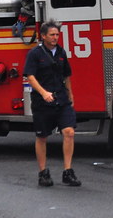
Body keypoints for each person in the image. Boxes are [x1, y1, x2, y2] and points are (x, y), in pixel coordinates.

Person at [23, 20, 80, 187]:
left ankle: (68, 172)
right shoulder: (34, 54)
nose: (55, 37)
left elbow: (66, 75)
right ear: (43, 36)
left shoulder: (61, 52)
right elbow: (30, 76)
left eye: (57, 34)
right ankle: (43, 173)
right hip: (42, 101)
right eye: (52, 35)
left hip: (61, 99)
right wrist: (43, 93)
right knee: (42, 136)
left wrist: (70, 93)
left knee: (69, 132)